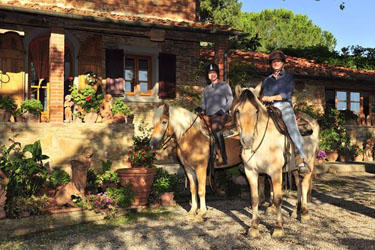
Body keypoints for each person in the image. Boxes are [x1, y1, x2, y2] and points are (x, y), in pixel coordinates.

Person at [261, 50, 310, 175]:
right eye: (274, 61)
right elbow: (264, 96)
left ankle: (301, 158)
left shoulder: (288, 77)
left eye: (278, 61)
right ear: (271, 64)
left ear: (282, 63)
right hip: (269, 107)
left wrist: (270, 98)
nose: (276, 63)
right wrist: (265, 100)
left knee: (292, 127)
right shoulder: (267, 80)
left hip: (284, 105)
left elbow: (286, 95)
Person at [195, 63, 233, 165]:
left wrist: (224, 109)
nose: (212, 75)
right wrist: (200, 107)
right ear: (208, 76)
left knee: (215, 129)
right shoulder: (207, 89)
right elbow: (204, 103)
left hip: (221, 115)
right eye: (210, 73)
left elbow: (230, 99)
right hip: (208, 115)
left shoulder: (224, 85)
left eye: (214, 73)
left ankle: (223, 156)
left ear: (217, 74)